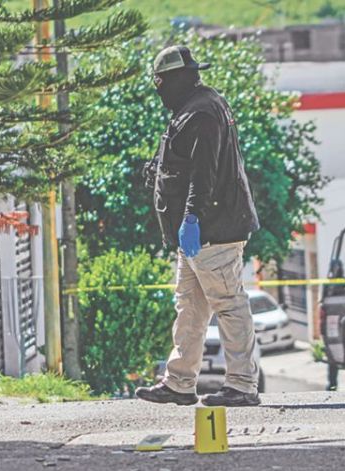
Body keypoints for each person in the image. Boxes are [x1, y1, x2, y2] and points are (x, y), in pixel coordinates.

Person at [135, 45, 262, 407]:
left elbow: (204, 176)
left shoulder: (202, 112)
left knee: (229, 304)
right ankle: (179, 382)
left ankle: (241, 384)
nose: (158, 88)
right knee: (190, 306)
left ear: (174, 79)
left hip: (211, 230)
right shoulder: (195, 107)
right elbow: (185, 163)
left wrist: (191, 217)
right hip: (194, 235)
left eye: (160, 81)